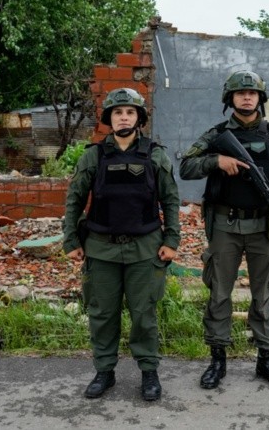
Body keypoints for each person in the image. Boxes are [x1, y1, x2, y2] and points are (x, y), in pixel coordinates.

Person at [179, 70, 269, 390]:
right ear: (229, 99)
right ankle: (217, 359)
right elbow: (186, 166)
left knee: (263, 297)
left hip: (264, 226)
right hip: (225, 227)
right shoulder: (216, 135)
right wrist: (216, 161)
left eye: (252, 93)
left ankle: (266, 360)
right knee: (219, 294)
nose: (247, 97)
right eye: (240, 93)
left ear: (260, 98)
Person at [62, 88, 180, 401]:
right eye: (117, 112)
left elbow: (170, 199)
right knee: (102, 313)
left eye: (129, 112)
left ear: (139, 118)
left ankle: (149, 371)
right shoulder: (94, 155)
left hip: (145, 247)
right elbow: (75, 199)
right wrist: (71, 238)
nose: (123, 117)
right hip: (101, 248)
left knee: (144, 313)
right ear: (109, 119)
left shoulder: (155, 154)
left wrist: (172, 239)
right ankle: (104, 371)